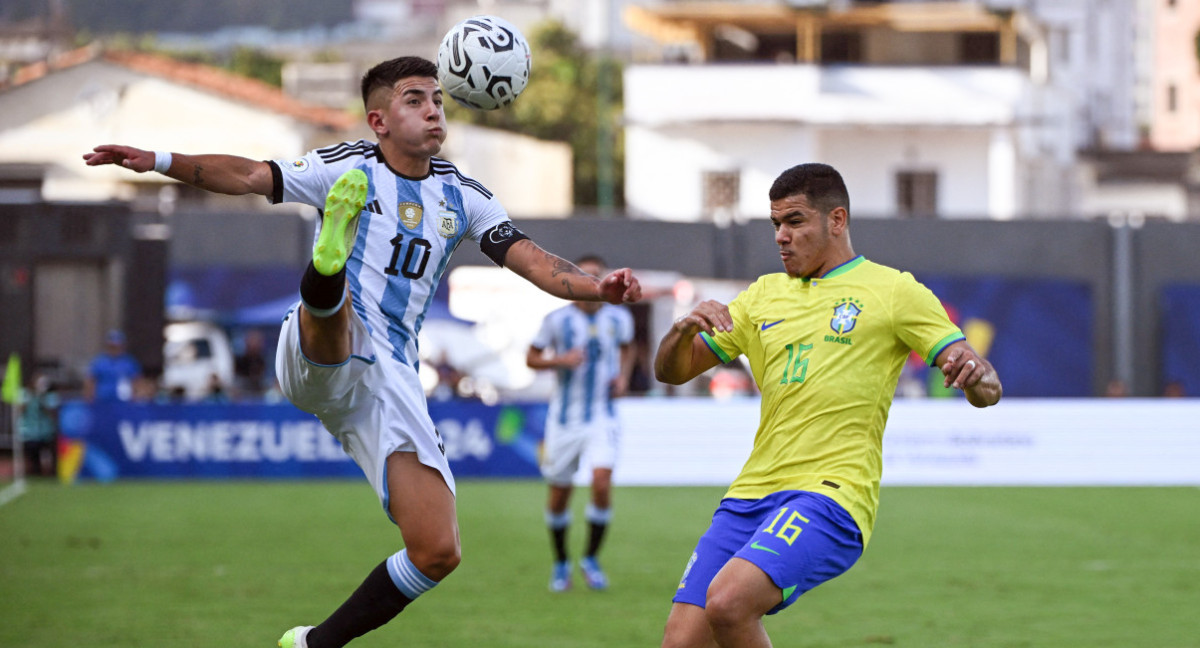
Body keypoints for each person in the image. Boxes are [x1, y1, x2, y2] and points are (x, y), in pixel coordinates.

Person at [83, 56, 642, 648]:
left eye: (438, 100)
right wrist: (159, 161)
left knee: (437, 551)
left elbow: (533, 259)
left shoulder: (465, 197)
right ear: (378, 119)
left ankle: (315, 643)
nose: (433, 110)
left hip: (393, 380)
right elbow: (248, 175)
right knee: (342, 310)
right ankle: (329, 268)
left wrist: (596, 288)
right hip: (318, 349)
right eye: (414, 100)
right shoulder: (344, 165)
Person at [653, 163, 1001, 648]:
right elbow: (671, 371)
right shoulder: (761, 296)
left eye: (795, 221)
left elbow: (985, 388)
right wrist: (680, 331)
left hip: (831, 495)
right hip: (749, 494)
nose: (781, 236)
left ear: (836, 220)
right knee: (680, 642)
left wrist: (978, 375)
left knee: (729, 604)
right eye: (776, 224)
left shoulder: (894, 291)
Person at [525, 254, 635, 592]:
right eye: (585, 276)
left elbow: (629, 349)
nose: (593, 282)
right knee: (560, 495)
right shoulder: (557, 319)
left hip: (602, 416)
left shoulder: (619, 317)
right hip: (564, 420)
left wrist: (623, 378)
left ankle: (590, 558)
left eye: (596, 276)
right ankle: (561, 563)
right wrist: (561, 360)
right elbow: (531, 358)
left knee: (601, 483)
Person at [83, 329, 142, 403]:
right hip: (102, 400)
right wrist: (89, 398)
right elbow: (90, 380)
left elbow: (136, 381)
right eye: (112, 346)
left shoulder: (129, 362)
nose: (114, 349)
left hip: (123, 401)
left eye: (117, 346)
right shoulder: (99, 362)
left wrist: (135, 398)